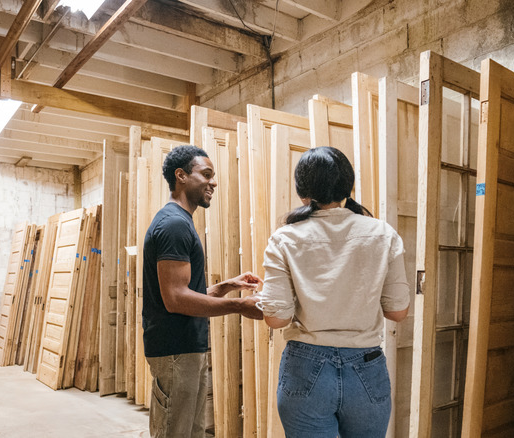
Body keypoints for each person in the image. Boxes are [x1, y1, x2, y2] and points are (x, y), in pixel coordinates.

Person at [257, 146, 411, 437]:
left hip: (305, 368)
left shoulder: (284, 238)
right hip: (366, 368)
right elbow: (397, 312)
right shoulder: (383, 234)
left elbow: (276, 319)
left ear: (302, 191)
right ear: (348, 186)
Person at [142, 145, 263, 438]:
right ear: (181, 176)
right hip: (175, 350)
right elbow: (176, 300)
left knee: (191, 432)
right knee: (175, 432)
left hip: (186, 348)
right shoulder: (174, 224)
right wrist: (240, 306)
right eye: (206, 174)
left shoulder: (180, 221)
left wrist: (227, 287)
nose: (213, 182)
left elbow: (184, 292)